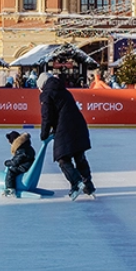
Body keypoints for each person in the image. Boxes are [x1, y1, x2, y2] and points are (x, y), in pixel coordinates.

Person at [39, 71, 94, 199]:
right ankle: (88, 185)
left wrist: (44, 134)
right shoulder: (64, 90)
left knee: (63, 158)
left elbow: (47, 116)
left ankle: (76, 182)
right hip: (79, 126)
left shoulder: (46, 94)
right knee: (79, 156)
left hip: (65, 129)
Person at [1, 130, 37, 196]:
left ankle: (10, 189)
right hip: (27, 165)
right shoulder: (26, 146)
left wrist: (8, 163)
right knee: (13, 169)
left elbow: (15, 162)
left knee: (11, 171)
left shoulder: (21, 149)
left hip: (24, 167)